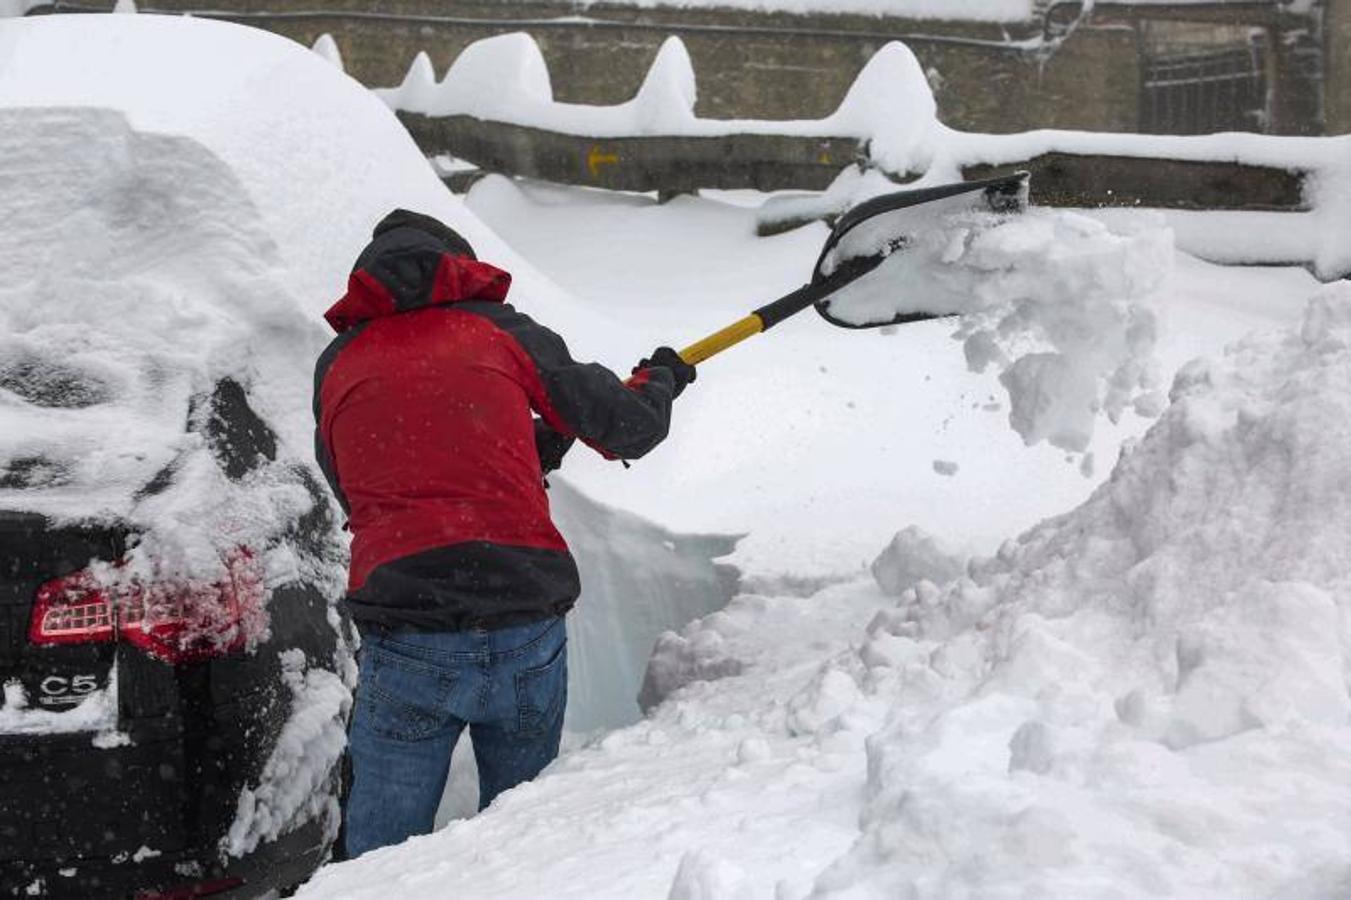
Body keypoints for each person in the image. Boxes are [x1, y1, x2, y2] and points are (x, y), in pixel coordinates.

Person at [312, 209, 695, 858]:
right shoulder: (498, 332)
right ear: (456, 267)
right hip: (519, 618)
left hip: (407, 632)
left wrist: (526, 447)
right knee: (521, 839)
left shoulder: (340, 362)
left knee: (377, 855)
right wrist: (659, 381)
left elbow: (360, 481)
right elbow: (626, 426)